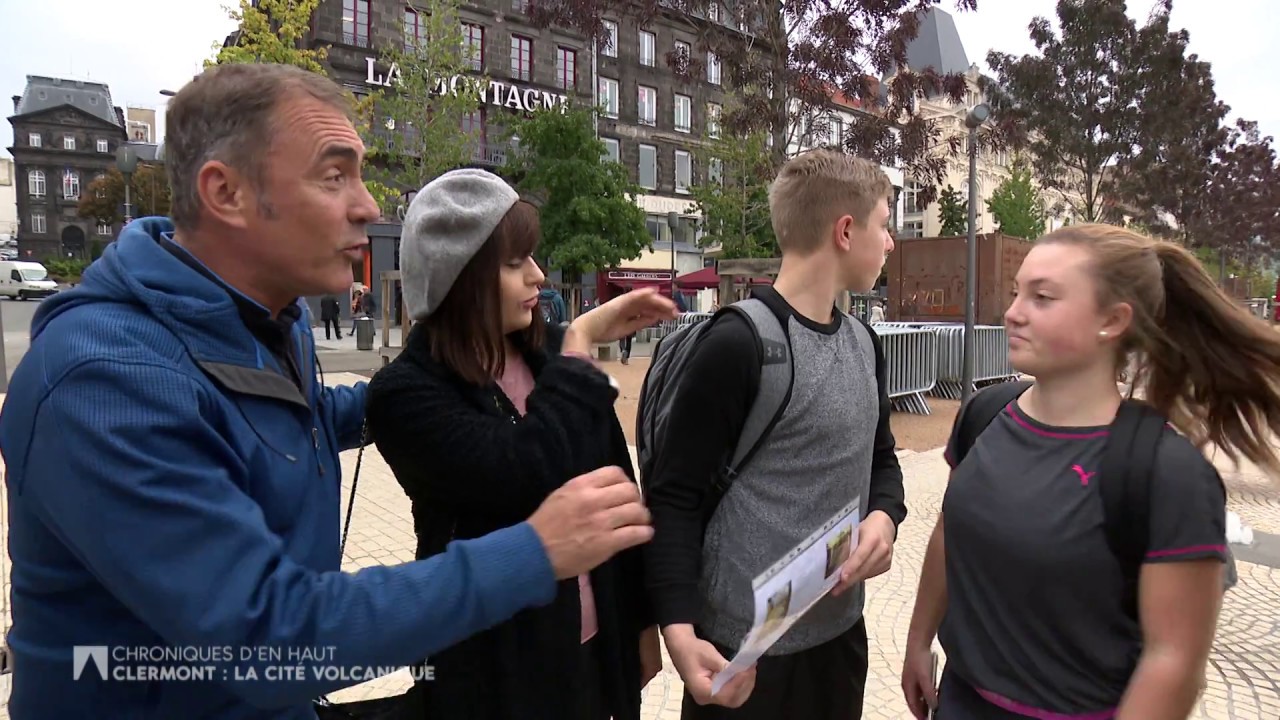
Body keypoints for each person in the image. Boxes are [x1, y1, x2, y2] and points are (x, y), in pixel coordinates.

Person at [0, 62, 654, 720]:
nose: (369, 206)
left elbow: (299, 413)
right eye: (334, 174)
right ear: (226, 192)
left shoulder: (267, 324)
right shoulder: (106, 380)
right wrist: (534, 551)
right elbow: (269, 633)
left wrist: (415, 398)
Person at [899, 224, 1280, 719]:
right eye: (1017, 293)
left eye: (1043, 297)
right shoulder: (984, 414)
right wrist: (917, 638)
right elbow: (949, 530)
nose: (1013, 313)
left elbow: (1176, 662)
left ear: (1112, 320)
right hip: (961, 701)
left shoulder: (1166, 473)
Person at [365, 169, 676, 719]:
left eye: (532, 258)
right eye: (513, 263)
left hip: (595, 647)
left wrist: (641, 620)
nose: (537, 276)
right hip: (495, 670)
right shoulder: (405, 394)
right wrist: (579, 347)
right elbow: (521, 474)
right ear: (459, 277)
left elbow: (616, 492)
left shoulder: (548, 356)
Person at [642, 148, 906, 719]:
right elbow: (674, 498)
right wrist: (679, 631)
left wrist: (884, 517)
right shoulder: (737, 346)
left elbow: (883, 462)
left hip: (838, 644)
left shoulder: (865, 342)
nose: (889, 243)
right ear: (845, 230)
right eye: (884, 225)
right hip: (742, 662)